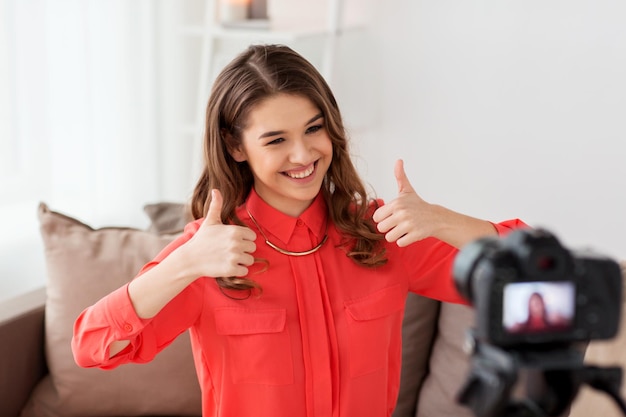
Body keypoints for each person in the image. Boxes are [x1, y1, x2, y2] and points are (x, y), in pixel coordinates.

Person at [71, 44, 527, 417]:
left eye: (314, 129)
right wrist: (184, 265)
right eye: (275, 140)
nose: (303, 154)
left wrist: (443, 221)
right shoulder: (208, 254)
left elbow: (541, 274)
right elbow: (93, 346)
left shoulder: (382, 234)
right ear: (235, 146)